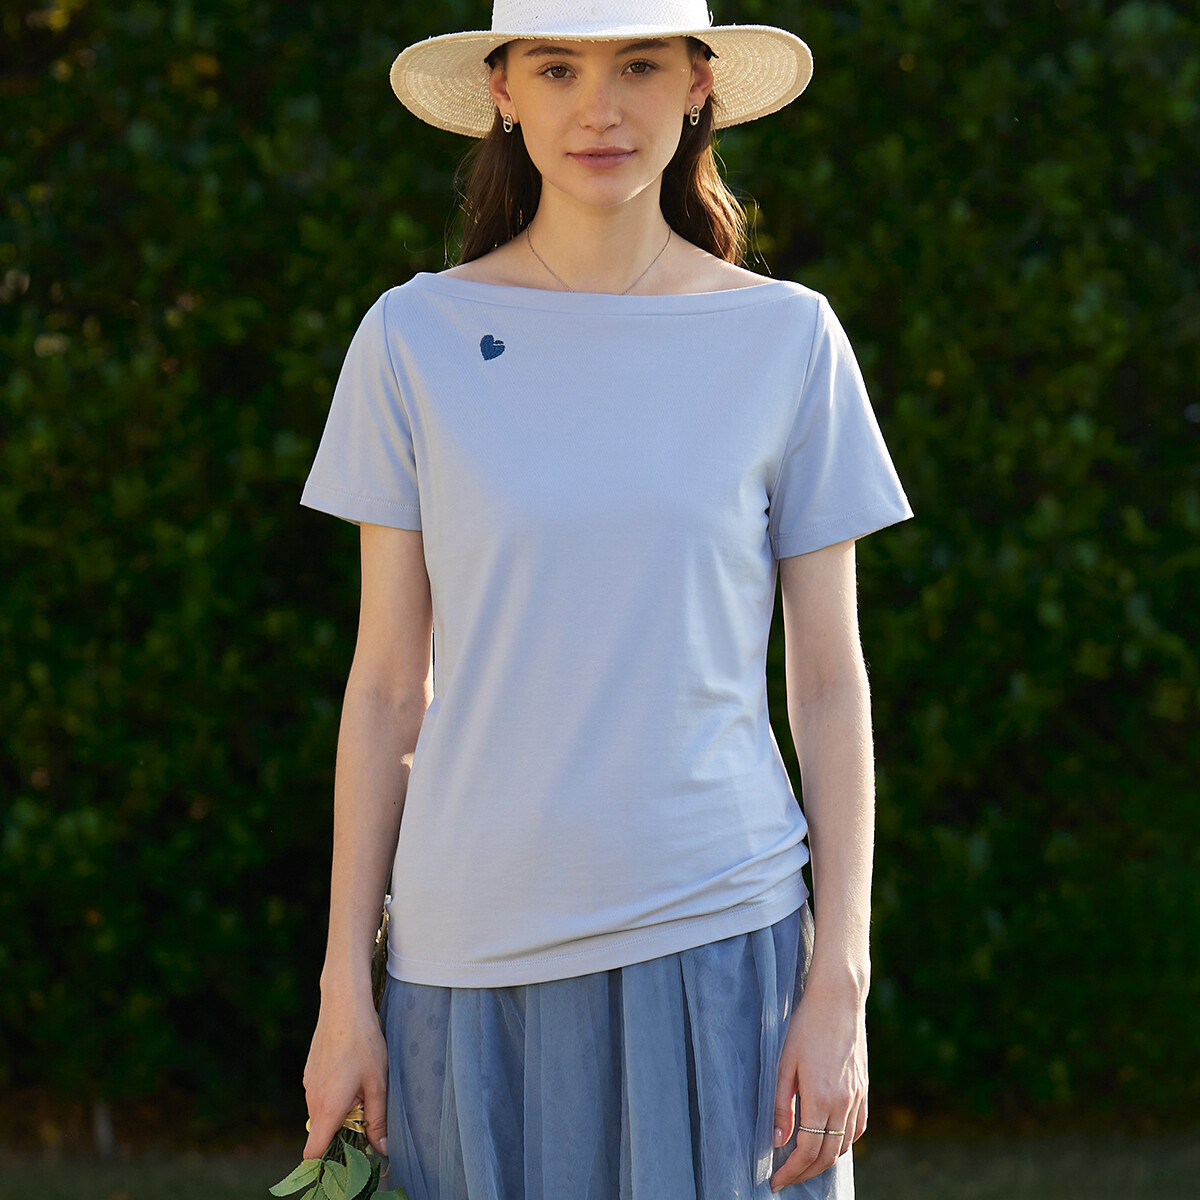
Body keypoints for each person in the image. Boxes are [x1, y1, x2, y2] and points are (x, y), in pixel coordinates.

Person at [297, 1, 913, 1196]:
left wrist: (841, 980)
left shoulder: (788, 338)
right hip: (465, 963)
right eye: (557, 68)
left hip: (724, 943)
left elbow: (831, 684)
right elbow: (383, 693)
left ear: (696, 85)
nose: (600, 108)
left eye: (638, 64)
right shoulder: (412, 337)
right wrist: (342, 990)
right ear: (502, 91)